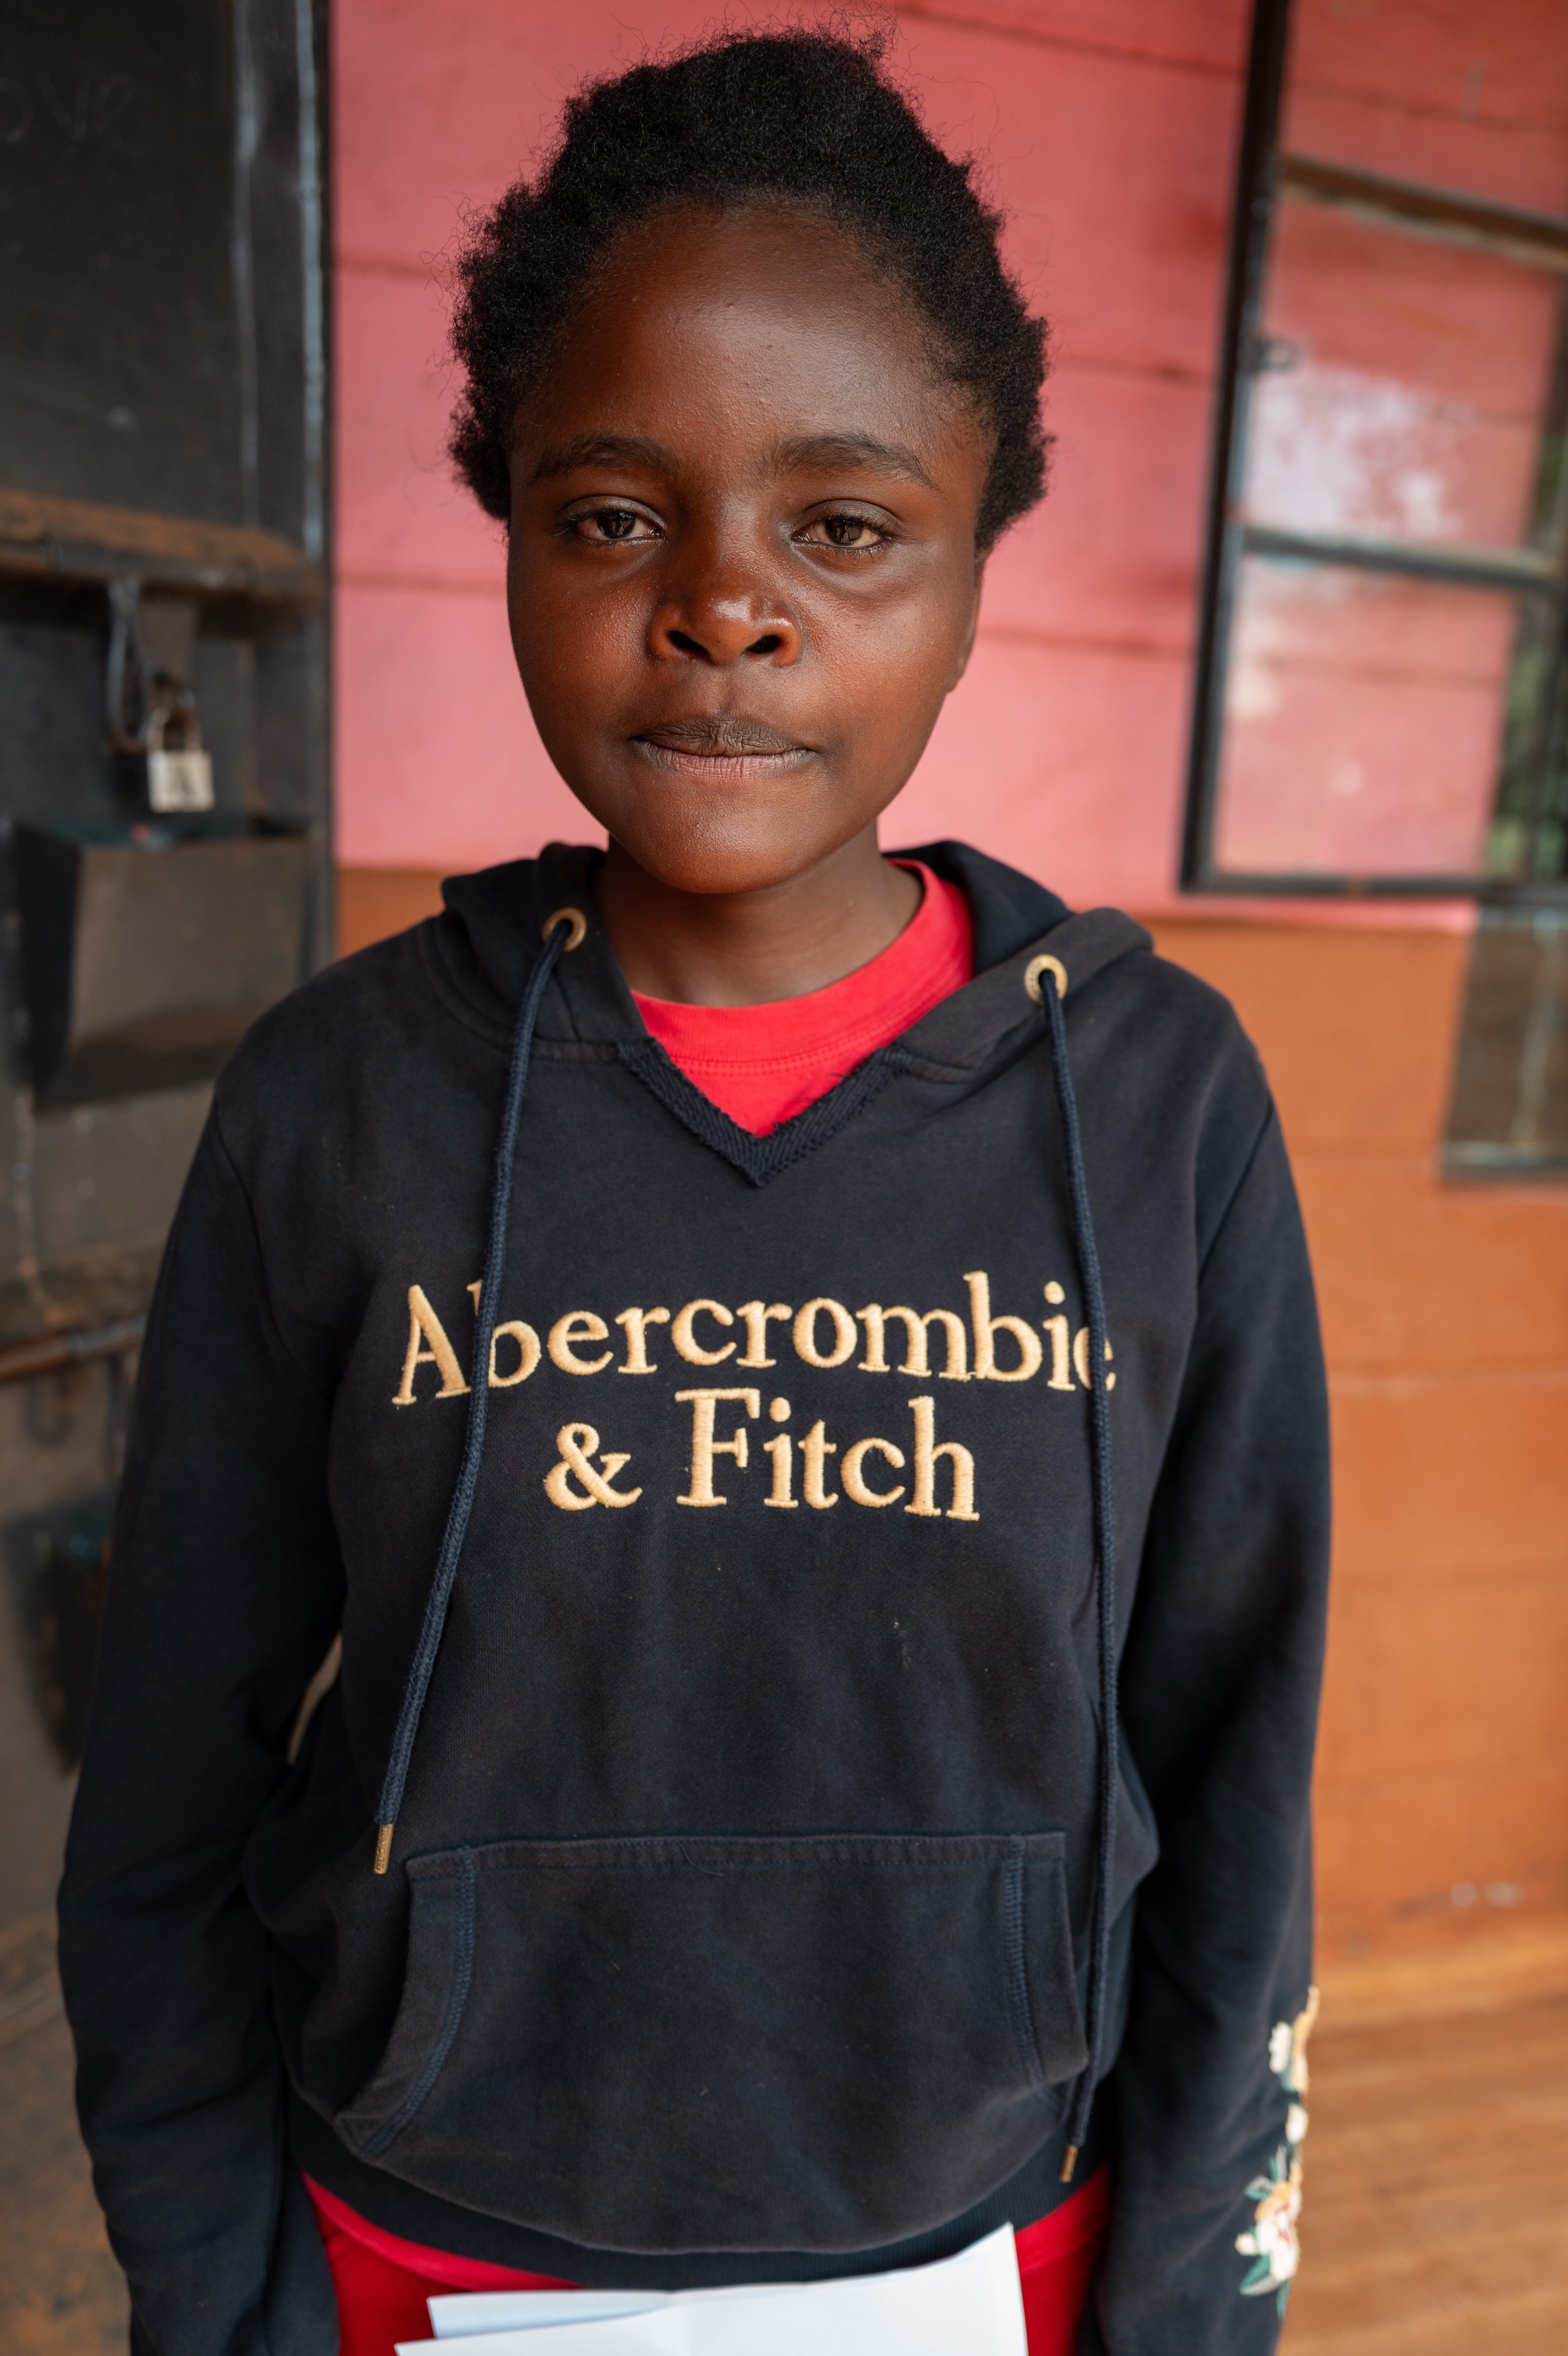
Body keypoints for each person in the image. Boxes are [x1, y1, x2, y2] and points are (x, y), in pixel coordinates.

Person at [60, 28, 1329, 2356]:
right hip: (411, 2258)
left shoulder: (1159, 1106)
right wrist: (218, 2295)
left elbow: (1239, 1779)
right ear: (513, 527)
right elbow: (157, 1793)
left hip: (990, 2263)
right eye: (614, 514)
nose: (721, 608)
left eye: (839, 526)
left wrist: (1186, 2298)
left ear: (970, 558)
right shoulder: (339, 1097)